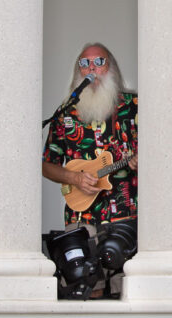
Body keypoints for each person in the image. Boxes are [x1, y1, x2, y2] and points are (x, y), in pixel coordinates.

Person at [42, 43, 138, 232]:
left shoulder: (134, 106)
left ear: (111, 68)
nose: (91, 67)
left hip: (129, 215)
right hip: (80, 216)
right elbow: (46, 165)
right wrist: (74, 178)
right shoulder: (66, 113)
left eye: (99, 62)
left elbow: (162, 147)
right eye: (85, 63)